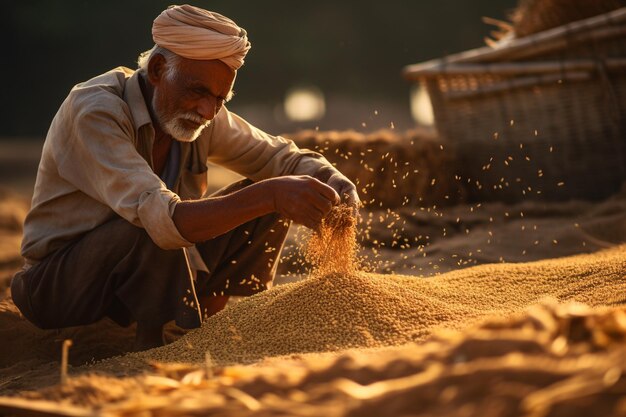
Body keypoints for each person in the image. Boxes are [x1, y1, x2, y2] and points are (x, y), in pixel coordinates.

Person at [11, 4, 359, 350]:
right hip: (59, 287)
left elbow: (277, 157)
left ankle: (210, 329)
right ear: (159, 69)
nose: (208, 111)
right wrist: (272, 194)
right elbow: (159, 217)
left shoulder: (200, 115)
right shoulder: (95, 111)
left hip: (142, 273)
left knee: (265, 197)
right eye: (198, 92)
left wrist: (332, 180)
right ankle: (152, 345)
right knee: (153, 223)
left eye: (220, 99)